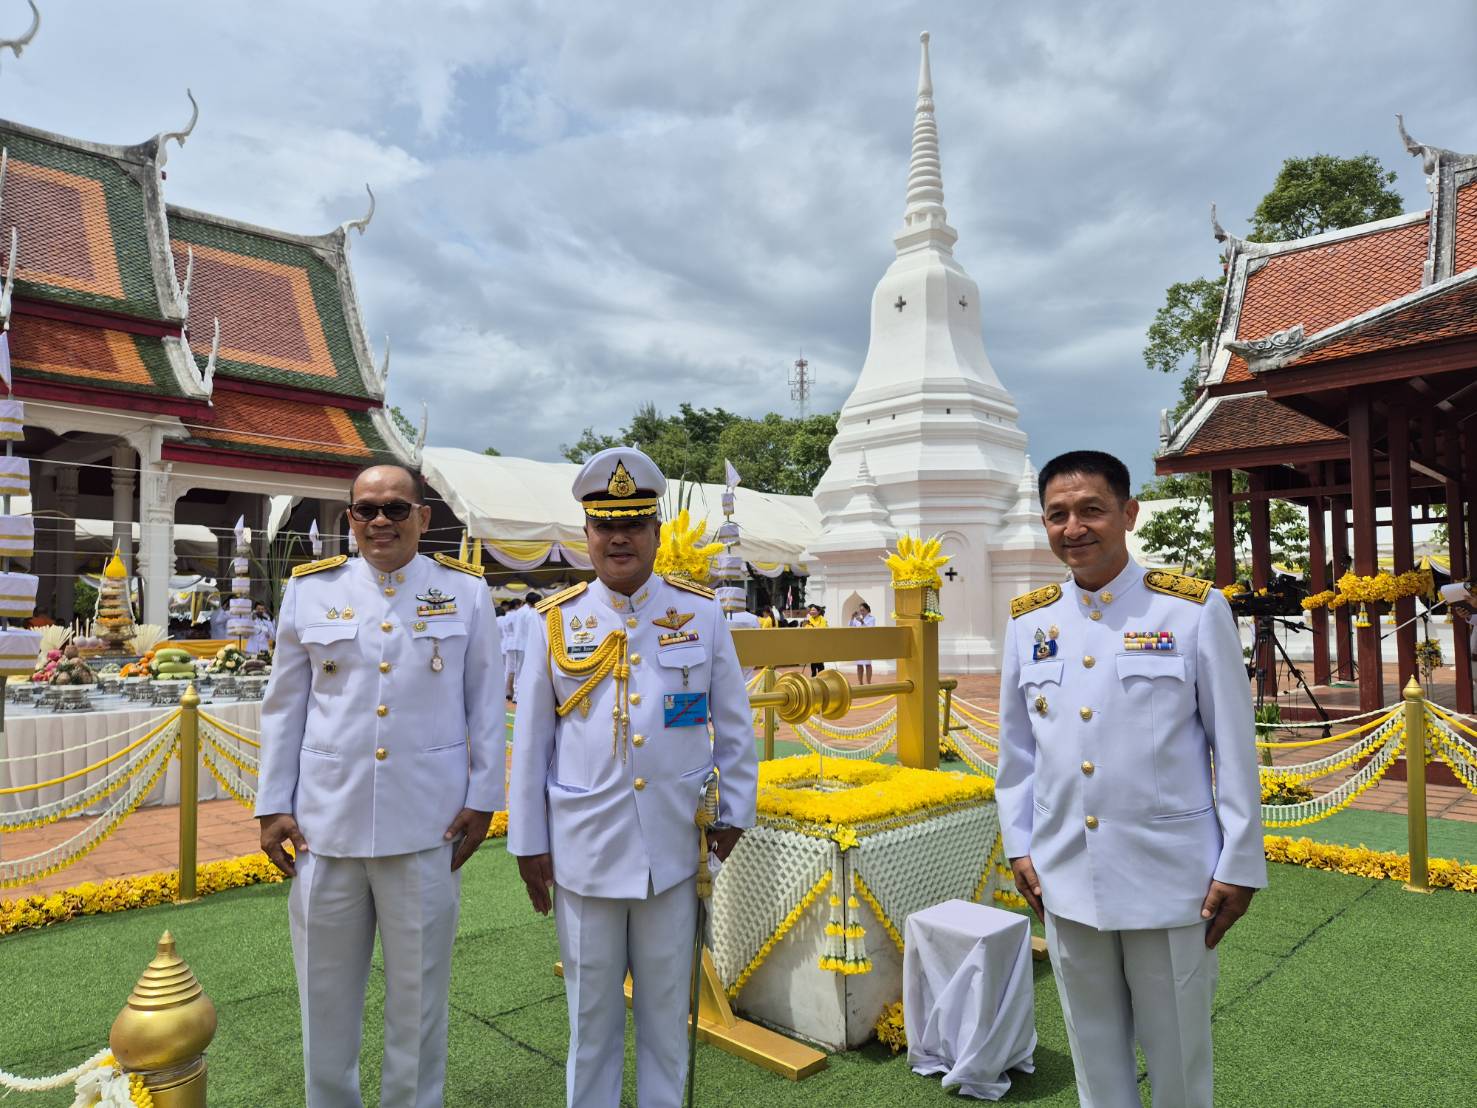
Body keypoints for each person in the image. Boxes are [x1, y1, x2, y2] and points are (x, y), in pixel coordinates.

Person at [995, 450, 1265, 1108]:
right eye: (1057, 515)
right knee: (1093, 1053)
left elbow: (1232, 746)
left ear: (1127, 513)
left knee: (1176, 1059)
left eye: (1091, 509)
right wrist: (1020, 845)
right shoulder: (1029, 622)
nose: (1073, 527)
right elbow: (1016, 755)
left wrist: (1238, 862)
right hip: (1064, 872)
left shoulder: (1191, 610)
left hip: (1171, 879)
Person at [507, 446, 758, 1108]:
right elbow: (531, 742)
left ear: (653, 533)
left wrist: (733, 811)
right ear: (586, 534)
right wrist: (528, 841)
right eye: (604, 525)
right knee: (590, 1023)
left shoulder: (699, 614)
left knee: (666, 1017)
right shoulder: (553, 620)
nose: (619, 537)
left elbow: (732, 725)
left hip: (673, 848)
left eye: (635, 524)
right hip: (584, 852)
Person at [255, 463, 504, 1108]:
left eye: (396, 508)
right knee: (324, 996)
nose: (380, 521)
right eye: (365, 510)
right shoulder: (311, 592)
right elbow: (285, 705)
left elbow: (485, 704)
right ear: (349, 521)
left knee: (419, 1002)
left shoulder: (467, 593)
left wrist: (484, 799)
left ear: (423, 518)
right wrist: (272, 805)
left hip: (426, 826)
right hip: (324, 829)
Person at [849, 601, 876, 684]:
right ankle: (860, 682)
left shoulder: (872, 618)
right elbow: (850, 627)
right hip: (858, 643)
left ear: (867, 610)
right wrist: (852, 617)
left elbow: (870, 629)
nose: (862, 612)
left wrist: (862, 622)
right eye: (860, 610)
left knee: (867, 664)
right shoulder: (857, 619)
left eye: (863, 610)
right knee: (859, 664)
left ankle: (868, 682)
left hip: (867, 643)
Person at [804, 602, 827, 676]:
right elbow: (805, 629)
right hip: (811, 644)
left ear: (818, 611)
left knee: (820, 664)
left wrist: (813, 627)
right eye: (811, 610)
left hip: (820, 644)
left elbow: (822, 628)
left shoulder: (822, 619)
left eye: (814, 610)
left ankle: (822, 678)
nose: (812, 612)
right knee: (813, 664)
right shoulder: (809, 619)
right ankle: (813, 677)